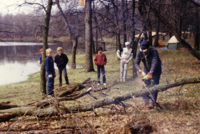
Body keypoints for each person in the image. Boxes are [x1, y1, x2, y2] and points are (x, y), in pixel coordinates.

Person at [134, 41, 162, 108]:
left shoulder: (154, 51)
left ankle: (152, 102)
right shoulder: (140, 51)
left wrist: (151, 72)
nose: (143, 52)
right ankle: (145, 100)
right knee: (145, 84)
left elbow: (155, 62)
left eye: (145, 50)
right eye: (142, 50)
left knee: (154, 85)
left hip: (156, 70)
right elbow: (136, 62)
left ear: (149, 47)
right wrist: (139, 70)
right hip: (146, 69)